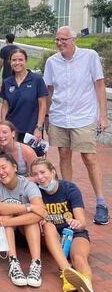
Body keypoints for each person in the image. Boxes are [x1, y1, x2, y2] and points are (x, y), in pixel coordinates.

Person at [43, 26, 109, 225]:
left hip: (84, 116)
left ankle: (100, 202)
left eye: (64, 39)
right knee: (64, 155)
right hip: (60, 116)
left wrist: (103, 115)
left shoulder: (90, 56)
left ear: (74, 40)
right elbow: (48, 90)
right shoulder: (52, 62)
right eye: (57, 39)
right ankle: (70, 199)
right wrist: (45, 116)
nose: (60, 42)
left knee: (89, 157)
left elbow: (99, 84)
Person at [30, 158, 94, 292]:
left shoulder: (69, 188)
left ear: (53, 172)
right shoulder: (35, 191)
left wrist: (77, 223)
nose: (40, 177)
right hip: (52, 236)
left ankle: (87, 287)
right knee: (48, 225)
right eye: (35, 174)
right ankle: (67, 274)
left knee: (79, 259)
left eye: (43, 172)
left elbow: (82, 223)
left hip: (73, 233)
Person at [0, 152, 47, 288]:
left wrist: (9, 221)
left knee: (30, 222)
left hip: (22, 231)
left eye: (4, 167)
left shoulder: (28, 185)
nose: (0, 172)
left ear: (14, 167)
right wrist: (28, 207)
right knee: (6, 215)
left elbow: (41, 212)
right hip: (1, 232)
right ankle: (13, 262)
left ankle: (36, 264)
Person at [0, 49, 48, 142]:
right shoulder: (7, 82)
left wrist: (39, 128)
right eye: (14, 60)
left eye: (20, 60)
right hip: (12, 129)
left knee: (31, 156)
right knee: (12, 155)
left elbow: (43, 105)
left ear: (26, 60)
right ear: (10, 62)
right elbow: (5, 105)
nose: (17, 63)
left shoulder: (36, 80)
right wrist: (3, 125)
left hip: (31, 129)